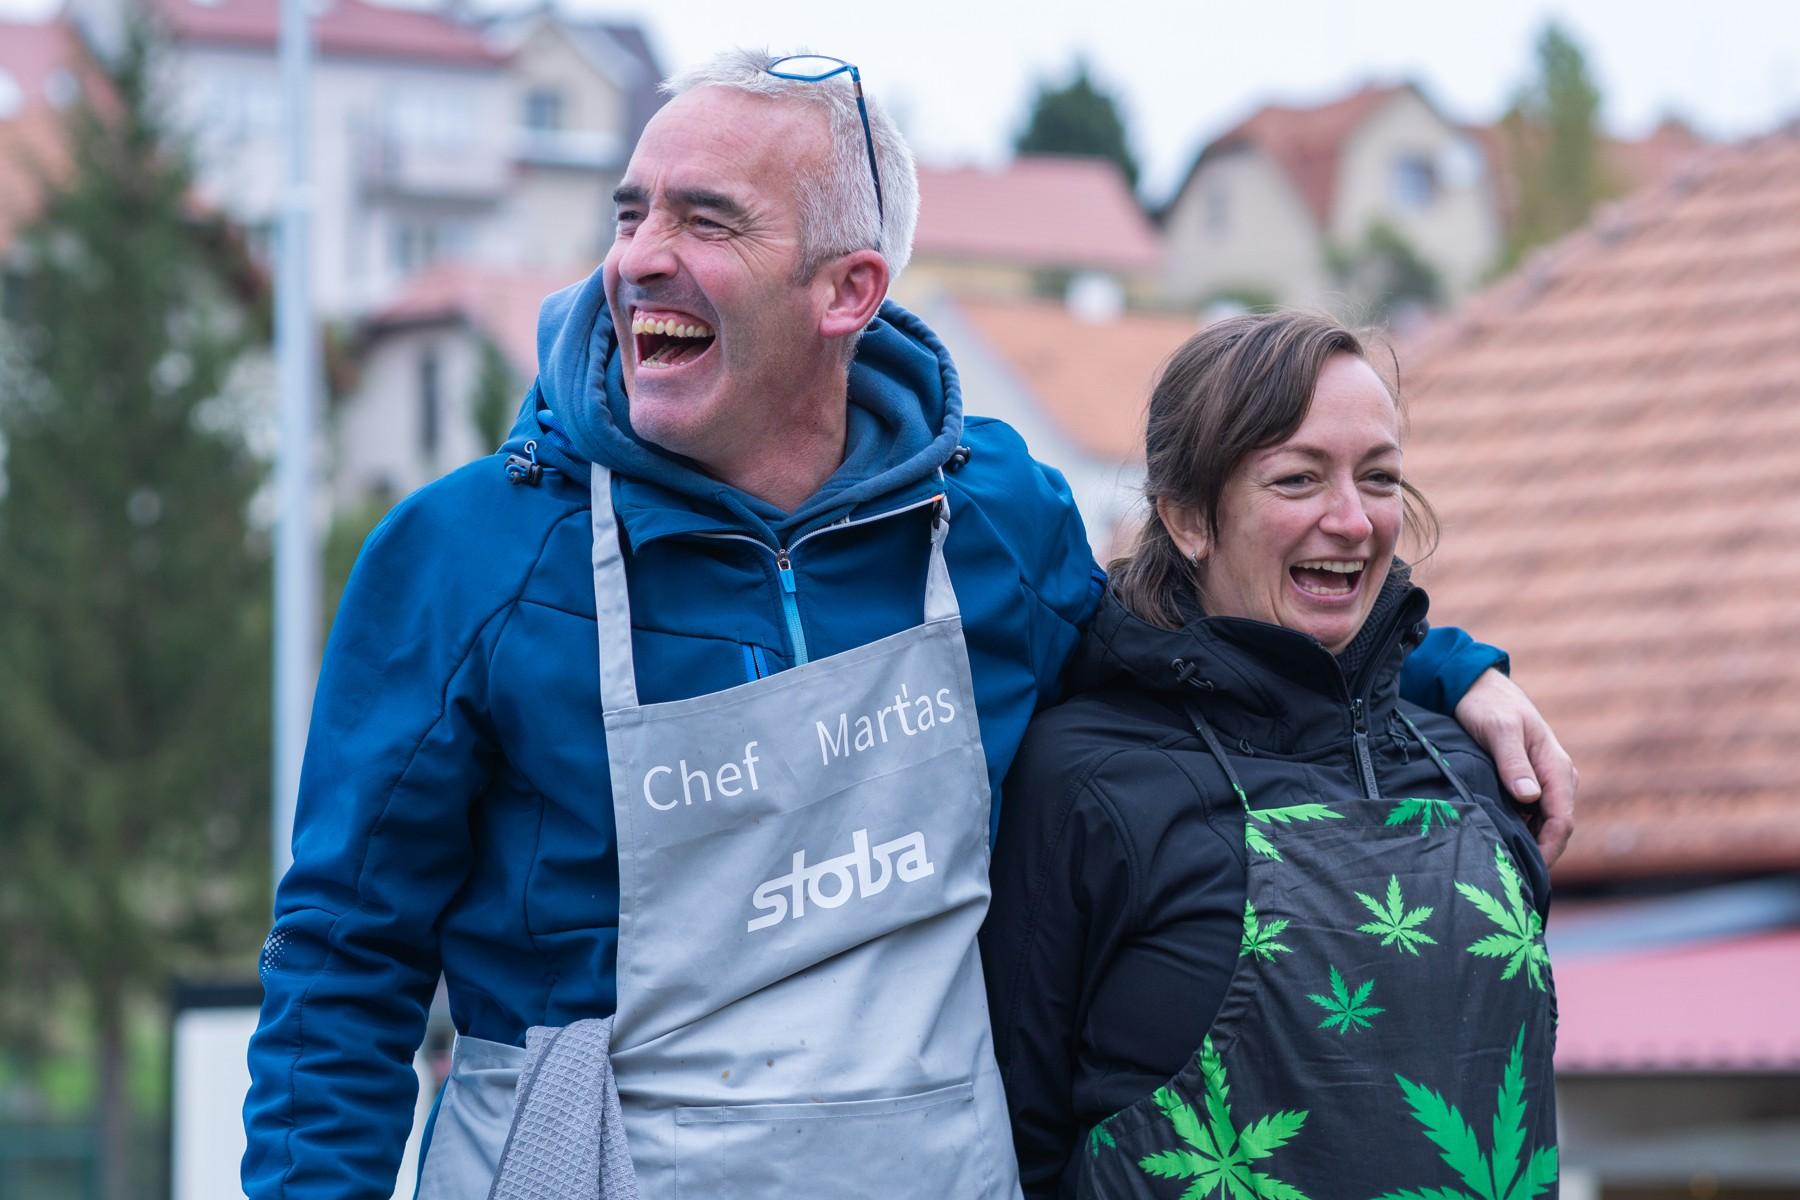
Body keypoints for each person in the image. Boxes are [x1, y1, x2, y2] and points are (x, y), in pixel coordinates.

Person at [241, 50, 1571, 1199]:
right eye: (631, 212)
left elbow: (1182, 651)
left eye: (707, 219)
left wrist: (1440, 672)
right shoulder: (467, 554)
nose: (639, 257)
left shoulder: (995, 520)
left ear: (849, 290)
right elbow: (342, 966)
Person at [981, 312, 1559, 1198]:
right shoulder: (1084, 781)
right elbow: (1008, 1140)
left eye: (1380, 478)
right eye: (1298, 478)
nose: (1352, 521)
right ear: (1187, 517)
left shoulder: (1472, 772)